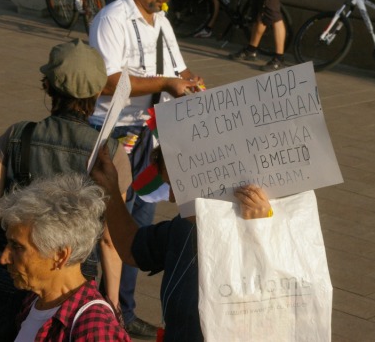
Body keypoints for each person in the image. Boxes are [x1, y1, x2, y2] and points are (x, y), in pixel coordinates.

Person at [0, 39, 132, 341]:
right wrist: (111, 301)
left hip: (7, 279)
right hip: (70, 279)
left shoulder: (17, 135)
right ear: (98, 93)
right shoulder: (110, 152)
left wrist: (2, 261)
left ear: (47, 86)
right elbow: (111, 241)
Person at [89, 0, 204, 339]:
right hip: (116, 131)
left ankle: (126, 307)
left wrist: (192, 83)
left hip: (151, 133)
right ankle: (104, 307)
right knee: (106, 225)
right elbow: (107, 81)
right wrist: (167, 84)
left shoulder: (162, 22)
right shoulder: (112, 19)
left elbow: (177, 67)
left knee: (139, 224)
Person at [91, 144, 273, 341]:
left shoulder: (260, 227)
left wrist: (261, 231)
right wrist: (110, 188)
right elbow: (132, 248)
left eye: (173, 186)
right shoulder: (183, 227)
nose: (169, 198)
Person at [0, 173, 130, 341]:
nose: (4, 258)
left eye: (17, 247)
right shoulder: (35, 301)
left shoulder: (95, 329)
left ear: (60, 255)